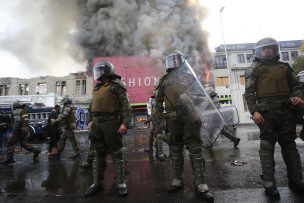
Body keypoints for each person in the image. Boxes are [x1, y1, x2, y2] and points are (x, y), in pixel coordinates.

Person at [244, 37, 304, 199]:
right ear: (259, 52)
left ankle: (296, 180)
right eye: (264, 49)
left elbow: (296, 87)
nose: (268, 50)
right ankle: (269, 184)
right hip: (267, 114)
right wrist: (254, 112)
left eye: (270, 48)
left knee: (290, 147)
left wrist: (298, 96)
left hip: (287, 112)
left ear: (276, 50)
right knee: (266, 148)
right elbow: (249, 93)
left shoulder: (285, 67)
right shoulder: (254, 69)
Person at [154, 50, 214, 202]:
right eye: (171, 60)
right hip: (172, 119)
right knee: (175, 149)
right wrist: (160, 121)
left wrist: (199, 113)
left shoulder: (190, 76)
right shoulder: (164, 80)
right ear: (167, 63)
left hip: (190, 116)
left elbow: (200, 96)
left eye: (176, 60)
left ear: (181, 60)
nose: (174, 63)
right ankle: (177, 180)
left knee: (195, 149)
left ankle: (201, 184)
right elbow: (158, 103)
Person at [84, 61, 131, 197]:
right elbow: (91, 107)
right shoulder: (98, 87)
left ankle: (121, 184)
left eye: (100, 70)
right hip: (97, 125)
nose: (98, 73)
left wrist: (125, 124)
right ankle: (96, 183)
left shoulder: (117, 85)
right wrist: (90, 121)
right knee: (98, 154)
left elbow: (126, 106)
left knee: (117, 153)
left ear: (107, 71)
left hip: (111, 123)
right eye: (97, 70)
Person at [0, 100, 41, 165]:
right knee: (23, 144)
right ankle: (36, 150)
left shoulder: (16, 111)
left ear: (16, 105)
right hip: (25, 130)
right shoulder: (24, 111)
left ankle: (9, 159)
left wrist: (14, 131)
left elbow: (17, 122)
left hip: (18, 131)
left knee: (10, 143)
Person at [144, 94, 166, 161]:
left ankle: (160, 154)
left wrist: (163, 125)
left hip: (159, 125)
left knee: (159, 136)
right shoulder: (154, 107)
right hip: (154, 124)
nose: (153, 100)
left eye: (154, 98)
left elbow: (163, 116)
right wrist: (147, 121)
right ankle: (150, 149)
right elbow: (153, 116)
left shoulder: (160, 106)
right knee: (151, 135)